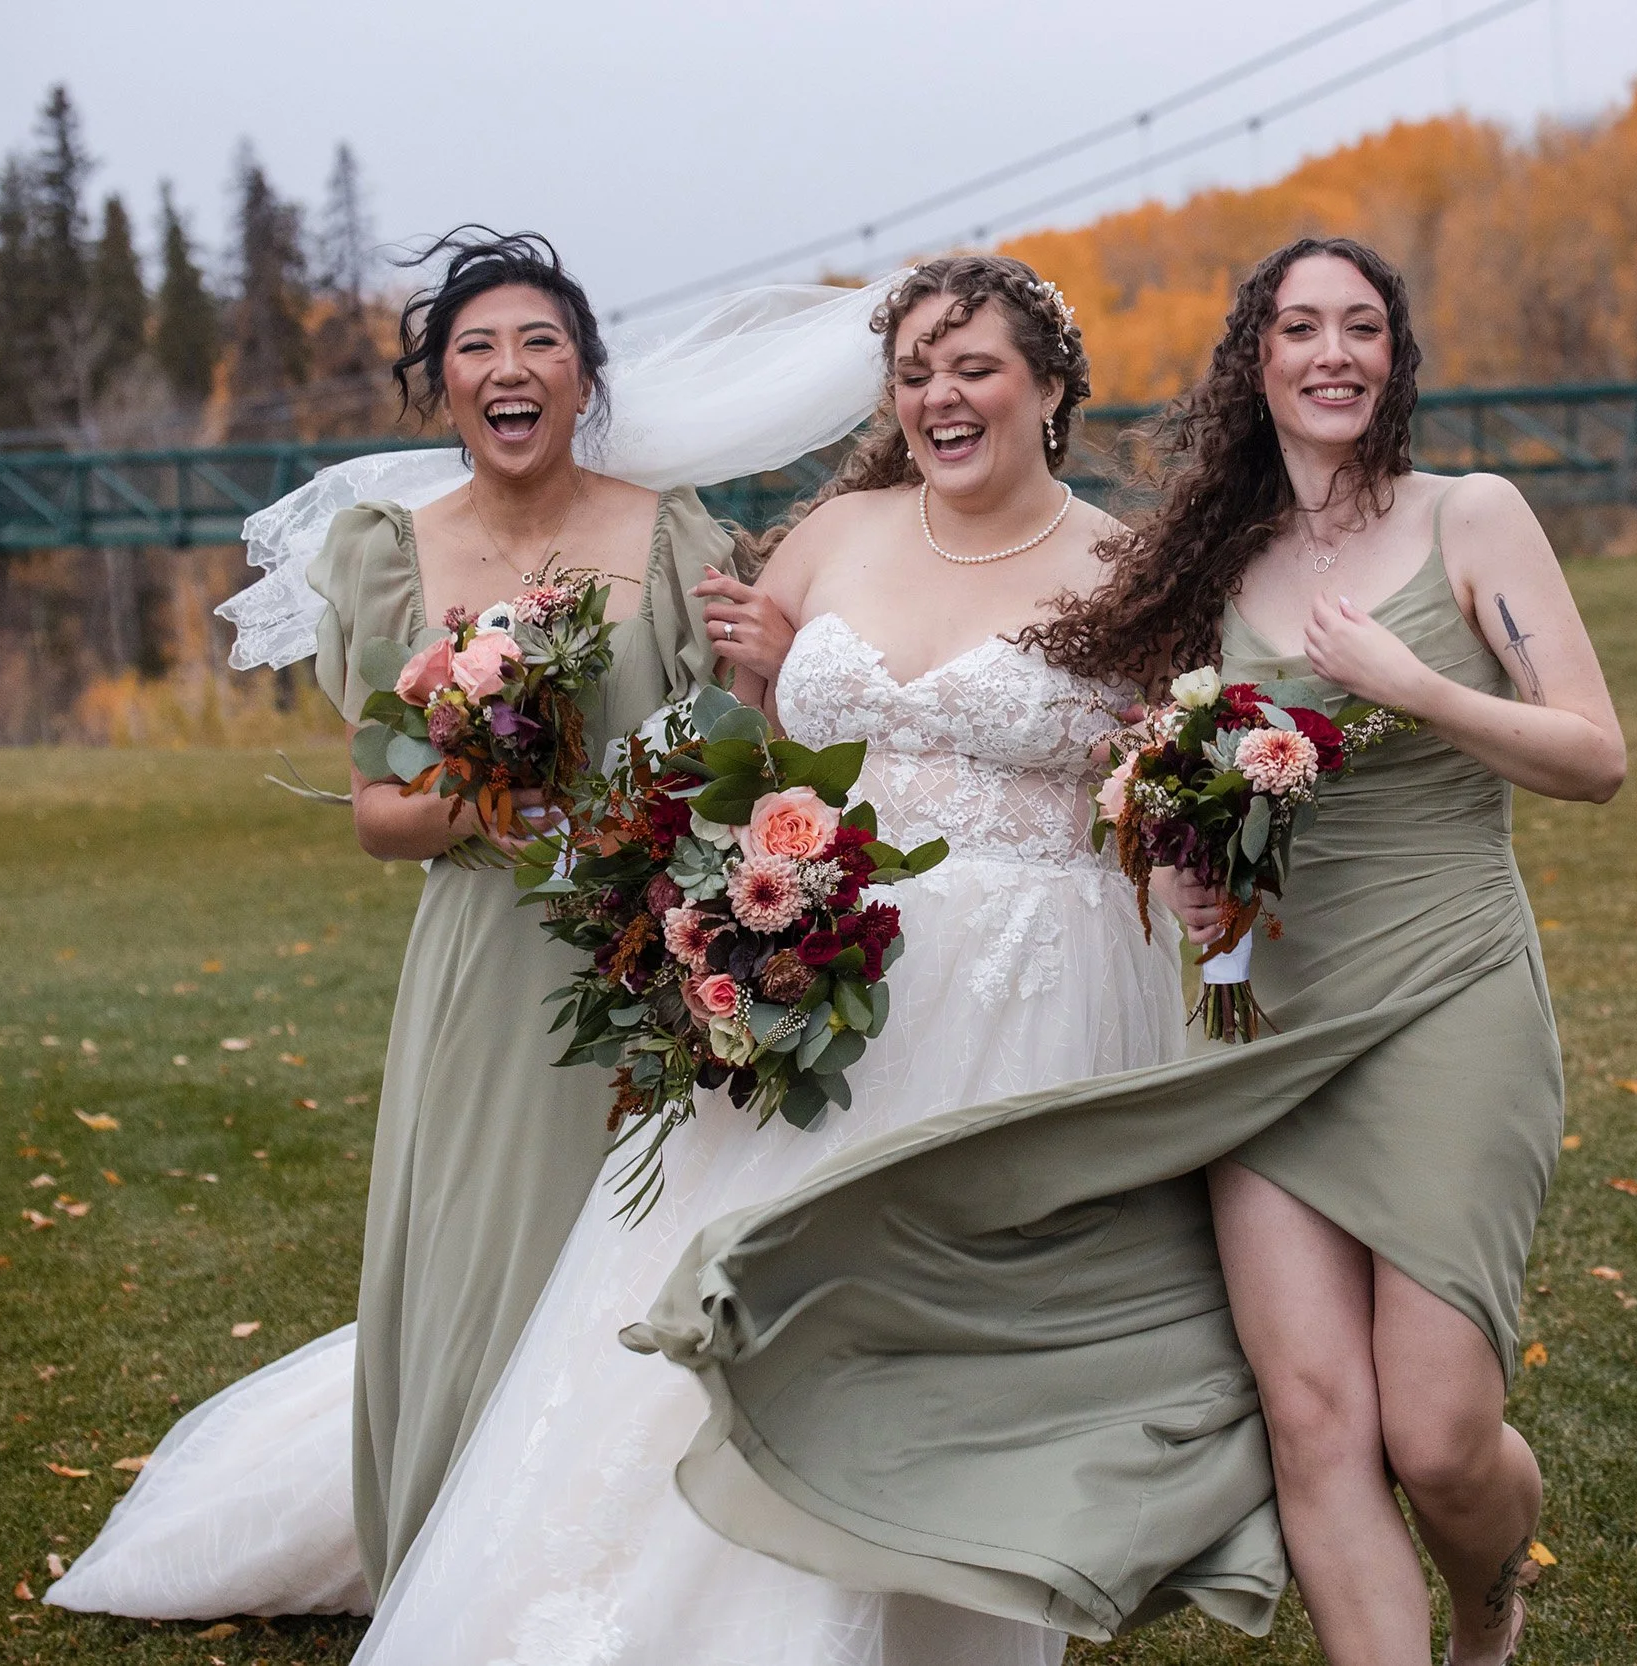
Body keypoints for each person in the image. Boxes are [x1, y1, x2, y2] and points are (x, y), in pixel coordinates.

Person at [643, 237, 1621, 1666]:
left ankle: (1489, 1602)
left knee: (1438, 1434)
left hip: (1446, 988)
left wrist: (1413, 684)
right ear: (1256, 361)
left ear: (1396, 357)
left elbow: (1596, 756)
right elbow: (1147, 764)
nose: (1333, 352)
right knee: (1313, 1419)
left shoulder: (1473, 516)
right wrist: (1186, 865)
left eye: (1362, 327)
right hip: (1262, 1013)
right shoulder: (1207, 564)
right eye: (1301, 327)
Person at [347, 254, 1195, 1666]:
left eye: (973, 367)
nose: (939, 396)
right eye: (913, 372)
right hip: (826, 980)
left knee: (949, 1342)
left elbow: (1155, 797)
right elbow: (739, 752)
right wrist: (711, 899)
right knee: (744, 1303)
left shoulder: (1127, 572)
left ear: (1050, 386)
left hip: (1033, 996)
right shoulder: (831, 534)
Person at [47, 236, 884, 1621]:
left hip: (649, 950)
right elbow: (382, 815)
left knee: (638, 1248)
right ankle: (457, 1560)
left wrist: (764, 678)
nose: (510, 368)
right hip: (485, 958)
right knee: (484, 1248)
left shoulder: (673, 538)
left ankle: (629, 1578)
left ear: (585, 379)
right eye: (477, 347)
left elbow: (736, 756)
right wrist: (496, 789)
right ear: (441, 385)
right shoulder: (391, 556)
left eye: (541, 343)